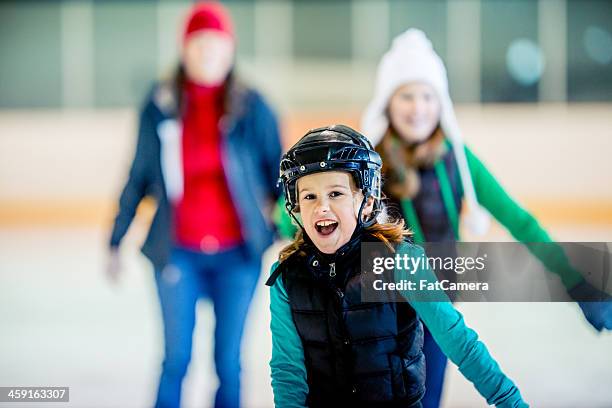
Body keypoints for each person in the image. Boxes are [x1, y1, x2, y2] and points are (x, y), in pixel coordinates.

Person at [360, 28, 612, 407]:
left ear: (441, 102)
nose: (418, 107)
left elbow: (519, 221)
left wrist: (577, 279)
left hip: (439, 310)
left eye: (427, 95)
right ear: (388, 102)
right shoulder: (366, 163)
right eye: (406, 95)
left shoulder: (459, 161)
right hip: (377, 311)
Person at [266, 124, 529, 408]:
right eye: (309, 196)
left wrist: (509, 401)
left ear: (365, 202)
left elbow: (458, 341)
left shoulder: (400, 262)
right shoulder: (286, 277)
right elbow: (288, 372)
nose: (322, 208)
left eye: (336, 194)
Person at [106, 2, 282, 407]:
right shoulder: (160, 105)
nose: (209, 54)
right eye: (200, 45)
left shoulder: (253, 107)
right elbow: (140, 176)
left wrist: (295, 230)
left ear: (231, 50)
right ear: (184, 49)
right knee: (176, 358)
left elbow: (281, 176)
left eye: (218, 46)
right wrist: (116, 237)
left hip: (237, 255)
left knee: (229, 361)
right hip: (177, 253)